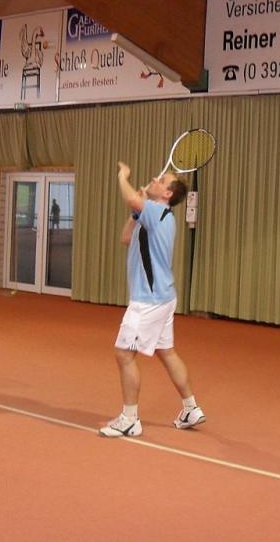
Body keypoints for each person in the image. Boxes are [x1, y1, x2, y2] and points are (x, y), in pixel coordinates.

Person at [100, 161, 206, 437]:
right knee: (166, 351)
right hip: (163, 297)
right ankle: (191, 408)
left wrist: (123, 176)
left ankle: (129, 419)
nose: (154, 179)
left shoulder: (157, 212)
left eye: (161, 180)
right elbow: (126, 238)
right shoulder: (155, 215)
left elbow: (130, 198)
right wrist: (137, 210)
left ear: (167, 194)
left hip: (149, 300)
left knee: (124, 353)